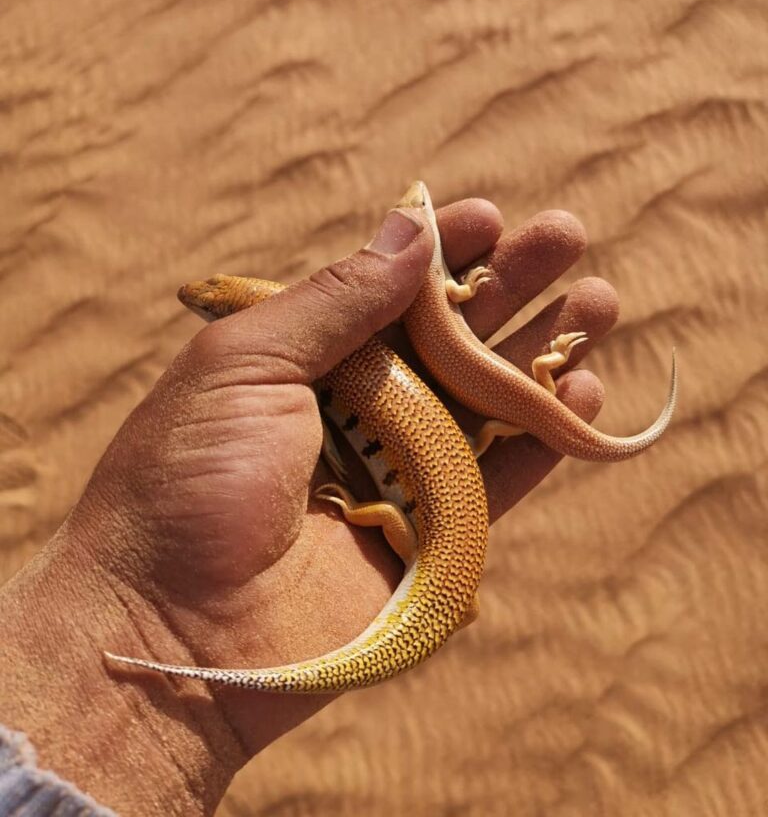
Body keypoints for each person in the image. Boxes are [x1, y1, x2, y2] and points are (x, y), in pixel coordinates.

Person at [0, 195, 614, 815]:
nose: (197, 302)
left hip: (436, 527)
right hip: (447, 525)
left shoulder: (316, 359)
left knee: (404, 514)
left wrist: (353, 504)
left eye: (206, 306)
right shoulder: (327, 351)